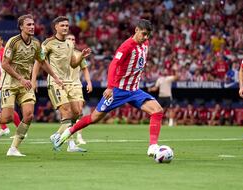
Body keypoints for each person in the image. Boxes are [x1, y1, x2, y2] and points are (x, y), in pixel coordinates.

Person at [51, 19, 164, 157]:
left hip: (134, 90)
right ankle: (66, 134)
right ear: (136, 30)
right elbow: (113, 65)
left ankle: (152, 147)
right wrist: (110, 87)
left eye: (148, 35)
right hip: (118, 91)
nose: (146, 38)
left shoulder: (145, 43)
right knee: (94, 117)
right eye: (144, 34)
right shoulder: (126, 46)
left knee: (157, 111)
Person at [0, 14, 63, 156]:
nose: (32, 27)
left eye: (33, 24)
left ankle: (13, 149)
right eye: (28, 25)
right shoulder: (13, 42)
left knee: (29, 115)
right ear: (21, 27)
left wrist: (55, 77)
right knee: (6, 118)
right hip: (10, 84)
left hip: (25, 85)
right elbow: (5, 64)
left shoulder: (36, 43)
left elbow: (43, 62)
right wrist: (20, 78)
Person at [34, 16, 91, 153]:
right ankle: (63, 140)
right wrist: (33, 79)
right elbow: (39, 60)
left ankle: (57, 135)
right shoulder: (48, 43)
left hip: (69, 83)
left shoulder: (70, 44)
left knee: (77, 112)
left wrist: (81, 57)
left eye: (67, 25)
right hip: (55, 82)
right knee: (66, 112)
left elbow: (73, 64)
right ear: (56, 27)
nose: (65, 27)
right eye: (62, 25)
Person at [0, 33, 21, 138]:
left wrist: (1, 81)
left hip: (6, 84)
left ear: (2, 42)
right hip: (1, 82)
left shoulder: (3, 53)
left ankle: (20, 131)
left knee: (8, 109)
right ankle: (4, 128)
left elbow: (8, 68)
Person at [65, 33, 93, 145]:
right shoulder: (59, 53)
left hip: (76, 84)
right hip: (64, 85)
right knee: (68, 113)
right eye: (69, 39)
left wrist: (89, 82)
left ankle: (79, 136)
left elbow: (85, 69)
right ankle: (66, 134)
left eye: (73, 39)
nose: (72, 40)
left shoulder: (79, 54)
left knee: (79, 111)